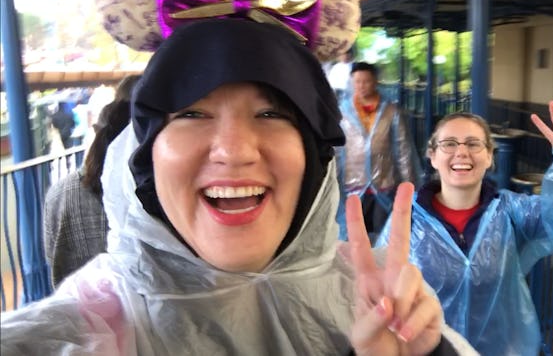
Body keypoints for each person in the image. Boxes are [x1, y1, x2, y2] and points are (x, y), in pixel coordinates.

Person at [1, 19, 477, 355]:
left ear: (313, 160)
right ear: (144, 158)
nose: (233, 151)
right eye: (191, 113)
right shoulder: (83, 329)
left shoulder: (377, 302)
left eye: (271, 113)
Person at [376, 108, 553, 355]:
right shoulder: (406, 221)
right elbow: (379, 288)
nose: (461, 152)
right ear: (433, 156)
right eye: (449, 144)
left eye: (473, 143)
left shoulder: (512, 212)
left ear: (490, 156)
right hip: (432, 349)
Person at [43, 75, 140, 288]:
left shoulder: (60, 193)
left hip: (77, 313)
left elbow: (53, 257)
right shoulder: (156, 191)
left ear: (97, 130)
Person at [337, 61, 420, 242]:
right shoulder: (341, 113)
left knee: (385, 236)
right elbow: (336, 149)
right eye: (357, 81)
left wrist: (409, 184)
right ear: (351, 82)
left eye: (366, 81)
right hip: (353, 185)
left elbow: (403, 149)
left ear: (375, 82)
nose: (361, 86)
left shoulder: (391, 111)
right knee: (353, 237)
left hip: (384, 183)